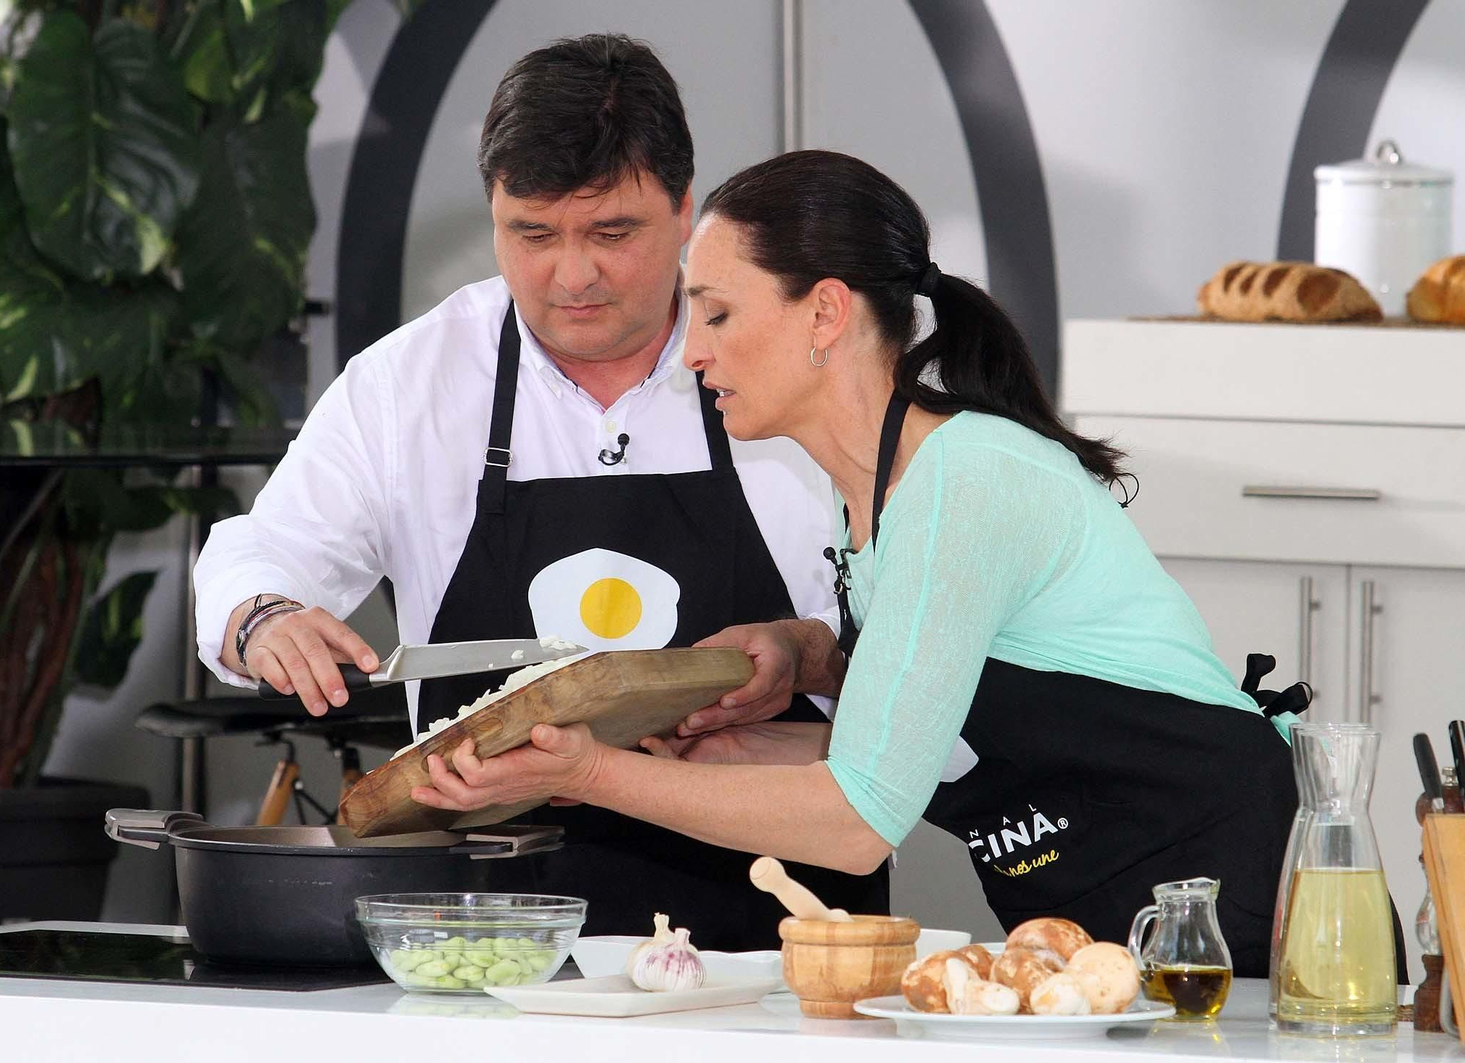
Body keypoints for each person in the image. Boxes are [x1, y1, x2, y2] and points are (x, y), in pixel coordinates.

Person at [408, 149, 1319, 978]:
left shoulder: (962, 481)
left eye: (718, 312)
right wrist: (745, 736)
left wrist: (584, 773)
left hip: (1235, 919)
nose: (693, 350)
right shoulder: (873, 500)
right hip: (1100, 937)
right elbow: (923, 744)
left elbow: (857, 821)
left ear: (826, 312)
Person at [193, 39, 886, 949]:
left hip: (788, 936)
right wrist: (263, 615)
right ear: (492, 211)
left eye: (612, 233)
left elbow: (914, 649)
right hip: (488, 943)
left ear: (685, 210)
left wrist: (808, 653)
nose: (574, 275)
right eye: (533, 234)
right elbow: (261, 549)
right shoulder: (413, 381)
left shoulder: (793, 361)